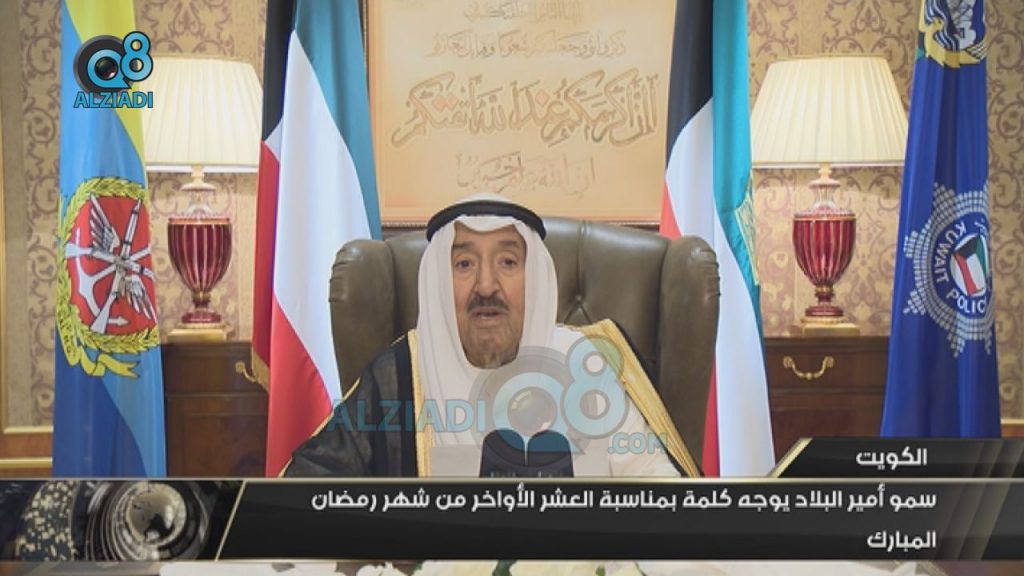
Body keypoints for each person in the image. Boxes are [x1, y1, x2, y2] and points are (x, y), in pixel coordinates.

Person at [283, 195, 700, 477]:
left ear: (534, 279)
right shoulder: (399, 376)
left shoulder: (587, 361)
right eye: (464, 264)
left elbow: (658, 494)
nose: (486, 285)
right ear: (439, 282)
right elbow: (305, 499)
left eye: (507, 262)